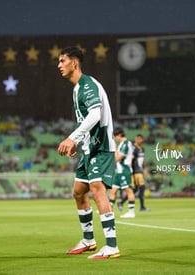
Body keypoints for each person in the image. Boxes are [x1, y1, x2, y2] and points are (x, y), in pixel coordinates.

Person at [57, 46, 120, 259]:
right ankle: (88, 240)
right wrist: (79, 142)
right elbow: (87, 122)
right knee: (78, 191)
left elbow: (95, 114)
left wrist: (71, 137)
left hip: (101, 147)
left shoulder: (87, 85)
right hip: (89, 148)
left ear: (74, 63)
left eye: (62, 61)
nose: (59, 65)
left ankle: (111, 246)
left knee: (97, 188)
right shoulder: (77, 89)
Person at [118, 134, 150, 212]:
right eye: (137, 139)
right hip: (135, 171)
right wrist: (130, 170)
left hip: (139, 170)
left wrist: (145, 169)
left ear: (142, 140)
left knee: (134, 190)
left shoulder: (142, 149)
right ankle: (142, 207)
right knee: (142, 188)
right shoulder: (134, 149)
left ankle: (121, 202)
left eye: (140, 139)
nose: (138, 140)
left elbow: (142, 160)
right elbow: (131, 160)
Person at [110, 128, 136, 218]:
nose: (115, 139)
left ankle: (131, 212)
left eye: (115, 136)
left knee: (128, 190)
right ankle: (109, 211)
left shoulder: (126, 144)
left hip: (124, 170)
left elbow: (118, 158)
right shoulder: (122, 144)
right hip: (119, 170)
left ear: (119, 135)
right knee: (113, 190)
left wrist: (115, 149)